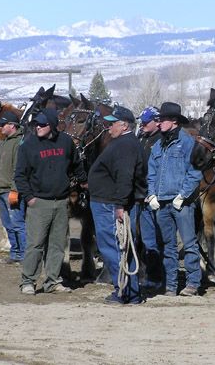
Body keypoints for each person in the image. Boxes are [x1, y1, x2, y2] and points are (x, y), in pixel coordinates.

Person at [14, 108, 87, 295]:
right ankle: (28, 281)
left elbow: (76, 164)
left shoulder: (65, 142)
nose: (38, 127)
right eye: (36, 124)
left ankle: (52, 281)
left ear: (52, 125)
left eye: (42, 124)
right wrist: (29, 198)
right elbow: (20, 176)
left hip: (61, 201)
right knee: (35, 244)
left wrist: (83, 181)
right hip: (39, 203)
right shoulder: (28, 145)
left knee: (57, 245)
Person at [88, 105, 147, 305]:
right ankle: (130, 291)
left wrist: (120, 205)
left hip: (110, 205)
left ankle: (123, 291)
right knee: (122, 247)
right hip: (111, 202)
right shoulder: (127, 143)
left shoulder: (124, 145)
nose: (108, 127)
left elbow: (125, 177)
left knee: (114, 247)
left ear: (123, 125)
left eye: (112, 124)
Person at [147, 101, 203, 296]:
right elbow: (151, 172)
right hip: (161, 203)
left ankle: (193, 284)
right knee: (167, 247)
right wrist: (152, 193)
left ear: (174, 121)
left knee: (189, 244)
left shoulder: (187, 143)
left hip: (182, 204)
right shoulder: (157, 146)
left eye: (162, 120)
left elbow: (195, 172)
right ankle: (171, 285)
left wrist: (183, 195)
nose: (159, 123)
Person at [0, 111, 27, 264]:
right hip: (0, 191)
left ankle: (24, 255)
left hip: (10, 191)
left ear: (12, 125)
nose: (1, 128)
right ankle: (15, 253)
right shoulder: (3, 143)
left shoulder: (19, 144)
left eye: (3, 125)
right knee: (8, 224)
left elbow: (19, 169)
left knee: (18, 224)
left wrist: (15, 190)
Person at [133, 106, 164, 289]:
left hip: (153, 196)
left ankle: (157, 277)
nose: (142, 125)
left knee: (155, 239)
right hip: (141, 195)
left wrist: (152, 192)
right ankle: (147, 274)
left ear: (157, 121)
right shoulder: (143, 138)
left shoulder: (160, 141)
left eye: (146, 122)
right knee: (144, 238)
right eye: (142, 122)